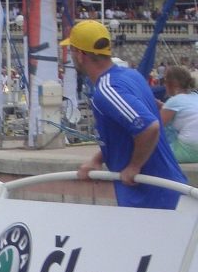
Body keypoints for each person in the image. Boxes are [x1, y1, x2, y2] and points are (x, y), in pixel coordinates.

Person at [64, 20, 184, 209]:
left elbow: (149, 127)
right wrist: (97, 159)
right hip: (166, 191)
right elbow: (131, 124)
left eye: (71, 50)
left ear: (80, 55)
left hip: (152, 197)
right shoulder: (131, 76)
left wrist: (134, 166)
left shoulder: (106, 91)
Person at [160, 65, 198, 163]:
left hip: (190, 150)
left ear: (171, 84)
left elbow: (157, 126)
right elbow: (185, 111)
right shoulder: (195, 96)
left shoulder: (173, 101)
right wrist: (162, 106)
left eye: (165, 81)